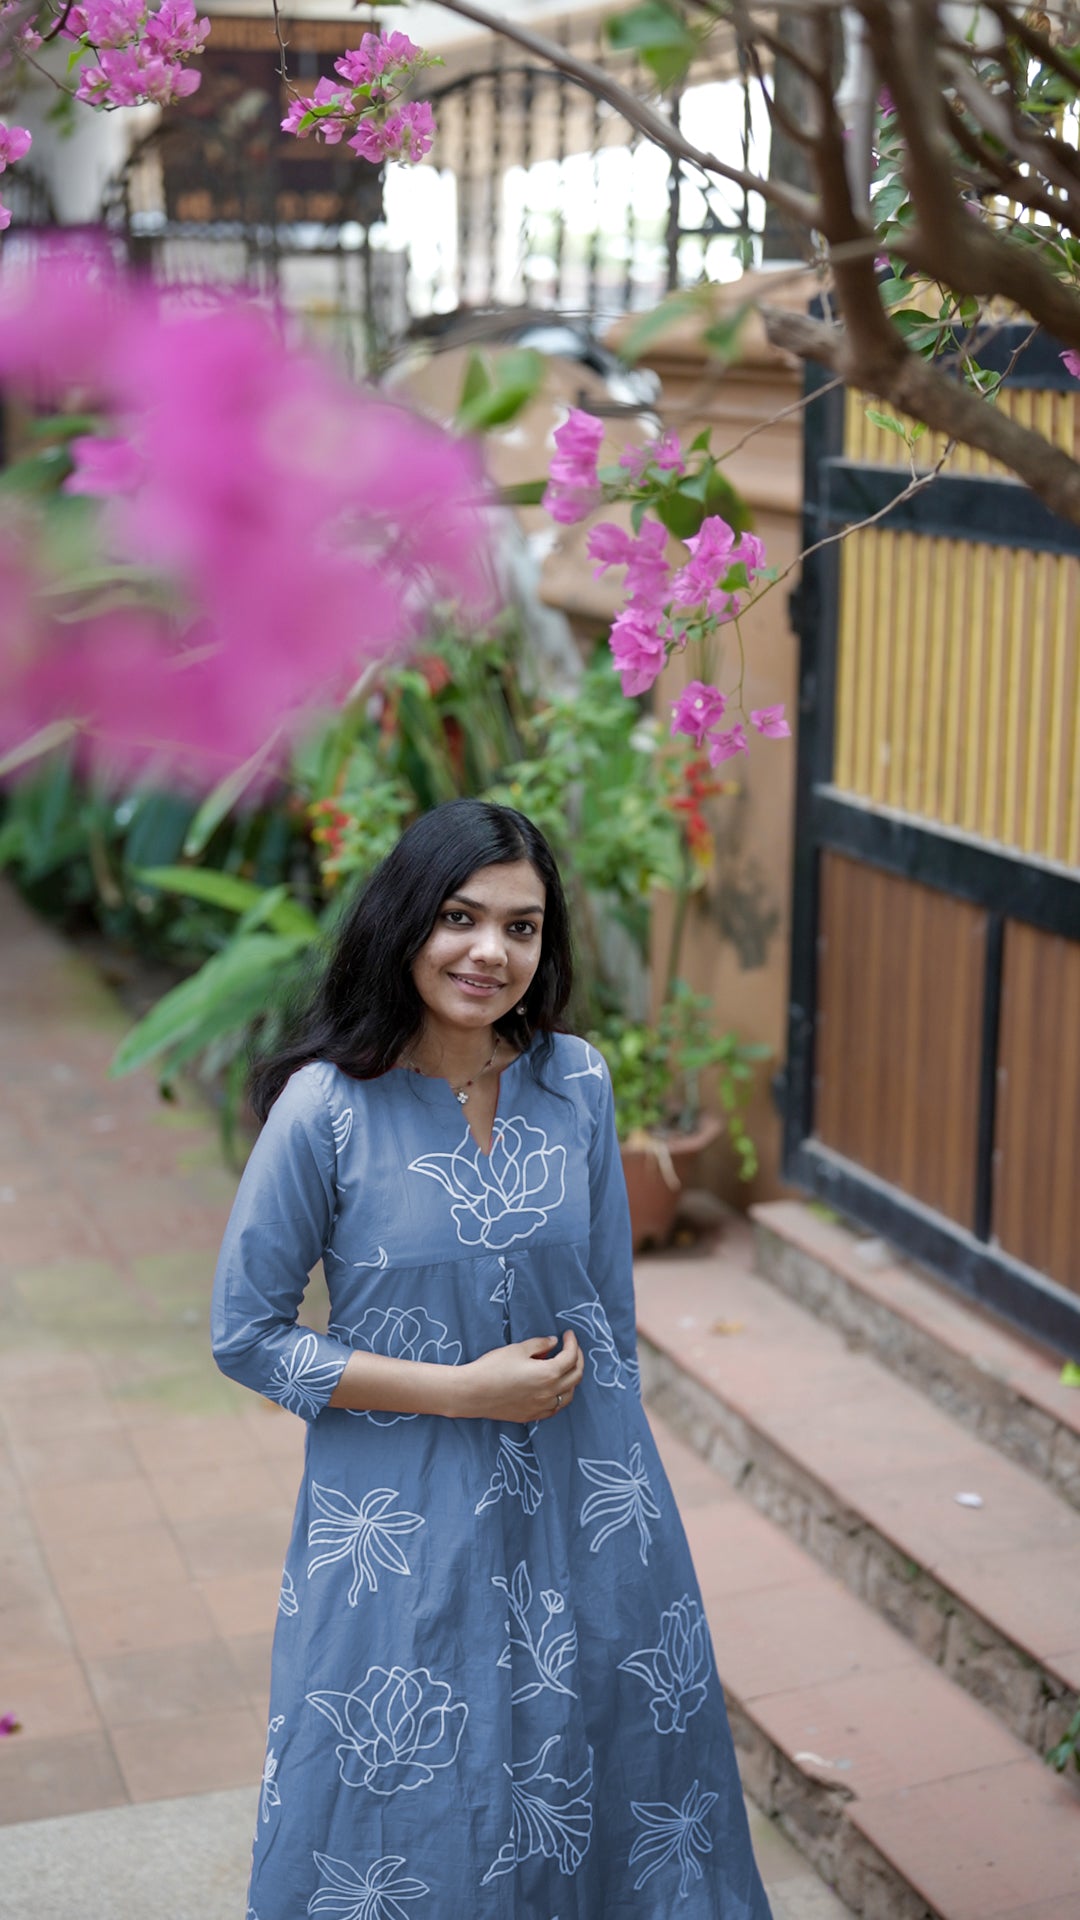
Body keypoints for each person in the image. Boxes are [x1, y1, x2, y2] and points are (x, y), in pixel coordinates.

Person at [212, 797, 773, 1919]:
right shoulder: (327, 1111)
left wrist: (626, 1510)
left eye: (522, 927)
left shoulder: (580, 1083)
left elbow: (606, 1312)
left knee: (610, 1761)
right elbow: (248, 1337)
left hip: (586, 1497)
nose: (489, 952)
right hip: (399, 1507)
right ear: (405, 921)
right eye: (461, 917)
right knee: (410, 1783)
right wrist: (464, 1394)